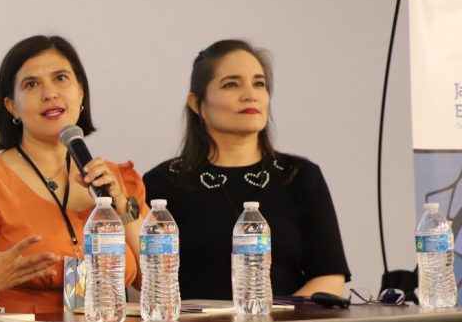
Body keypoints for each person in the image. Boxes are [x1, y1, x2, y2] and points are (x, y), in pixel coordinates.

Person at [0, 35, 146, 314]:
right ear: (12, 106)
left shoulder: (117, 180)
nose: (49, 93)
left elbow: (156, 280)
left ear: (81, 93)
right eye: (31, 84)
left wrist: (121, 206)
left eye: (61, 78)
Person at [144, 39, 349, 300]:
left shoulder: (299, 176)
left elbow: (329, 279)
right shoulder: (163, 183)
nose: (250, 94)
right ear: (197, 103)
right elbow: (144, 282)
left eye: (259, 84)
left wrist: (269, 319)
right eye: (231, 84)